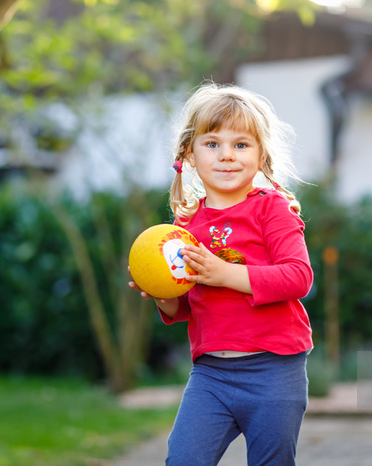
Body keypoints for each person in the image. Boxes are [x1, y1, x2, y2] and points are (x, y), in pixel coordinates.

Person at [129, 82, 313, 466]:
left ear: (261, 155)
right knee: (182, 460)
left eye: (241, 145)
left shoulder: (272, 210)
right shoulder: (184, 228)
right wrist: (162, 293)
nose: (227, 155)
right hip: (210, 375)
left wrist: (225, 273)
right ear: (189, 154)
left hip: (274, 370)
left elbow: (298, 277)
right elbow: (186, 305)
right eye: (212, 144)